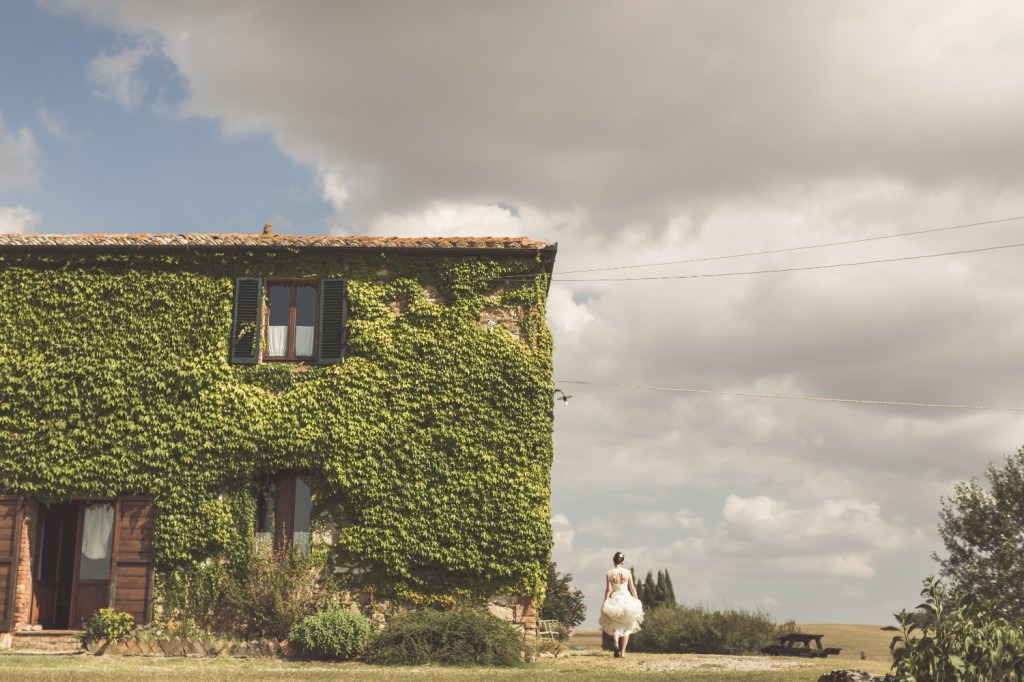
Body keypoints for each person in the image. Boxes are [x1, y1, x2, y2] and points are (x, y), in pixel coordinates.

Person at [599, 551, 644, 658]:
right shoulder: (627, 572)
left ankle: (616, 644)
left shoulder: (609, 573)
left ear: (614, 561)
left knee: (615, 625)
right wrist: (637, 600)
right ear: (622, 561)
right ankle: (623, 653)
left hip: (615, 599)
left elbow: (608, 589)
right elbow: (632, 587)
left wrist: (606, 601)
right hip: (626, 599)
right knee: (627, 626)